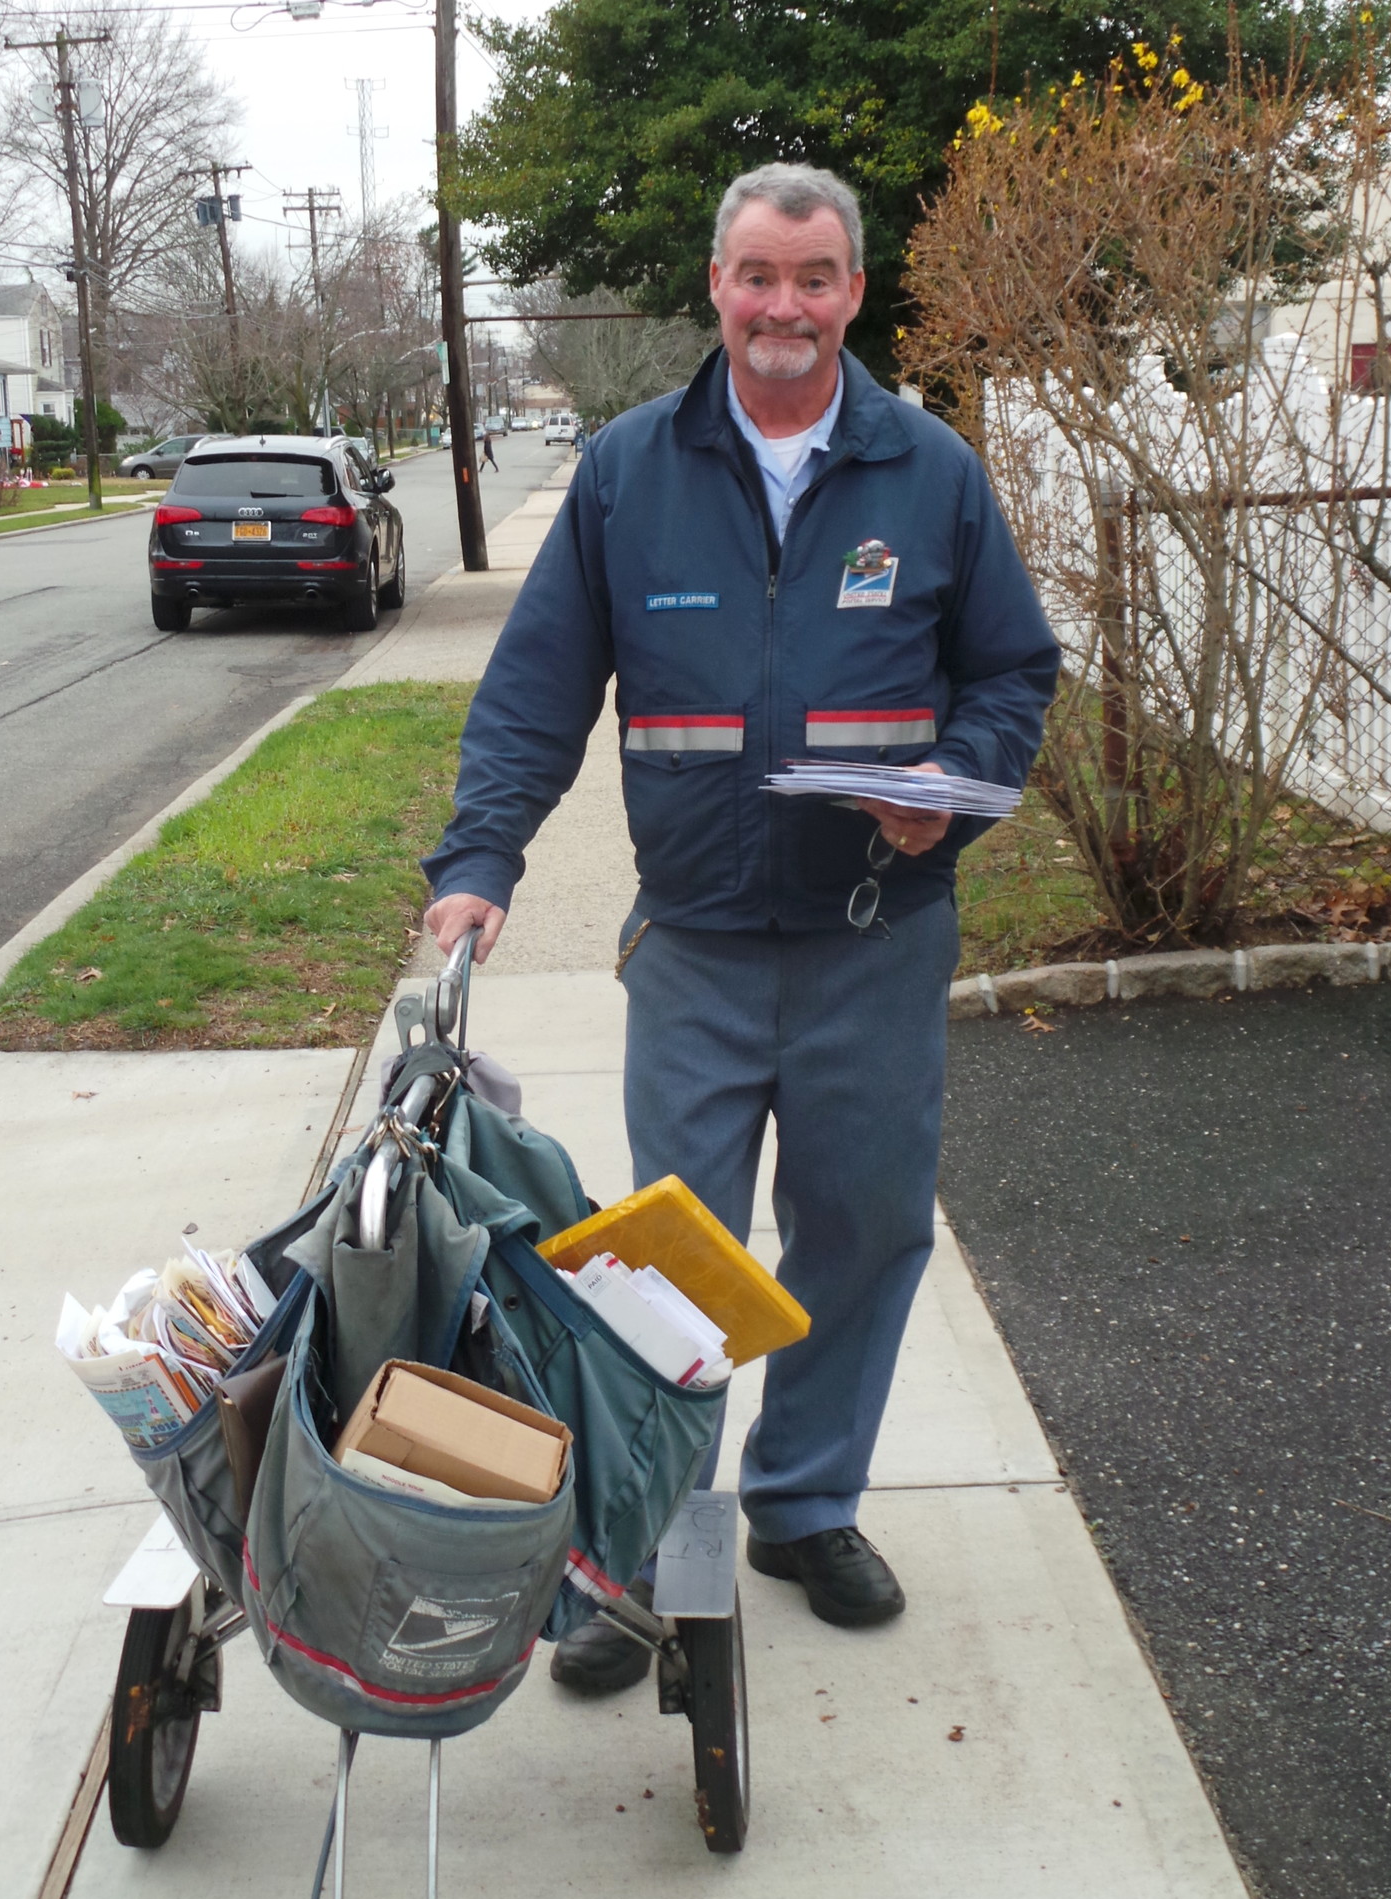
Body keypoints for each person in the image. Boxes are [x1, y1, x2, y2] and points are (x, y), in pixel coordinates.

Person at [423, 162, 1059, 1691]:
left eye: (819, 276)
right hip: (699, 940)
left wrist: (957, 782)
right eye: (761, 275)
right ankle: (639, 1550)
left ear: (855, 290)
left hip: (877, 933)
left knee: (860, 1230)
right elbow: (534, 692)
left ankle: (803, 1503)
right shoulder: (632, 471)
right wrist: (480, 860)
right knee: (670, 1265)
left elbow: (1010, 674)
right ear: (716, 284)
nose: (788, 306)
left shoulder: (932, 470)